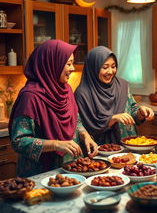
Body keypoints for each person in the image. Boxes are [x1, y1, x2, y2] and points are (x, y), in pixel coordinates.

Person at [8, 40, 98, 177]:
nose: (72, 68)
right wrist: (55, 144)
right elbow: (19, 142)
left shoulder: (66, 90)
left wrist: (85, 135)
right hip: (40, 173)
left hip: (69, 169)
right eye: (68, 64)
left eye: (72, 63)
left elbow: (76, 120)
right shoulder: (30, 97)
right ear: (51, 64)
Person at [74, 46, 154, 145]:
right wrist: (112, 119)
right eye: (105, 67)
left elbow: (132, 109)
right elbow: (80, 124)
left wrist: (141, 112)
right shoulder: (82, 93)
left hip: (127, 145)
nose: (110, 71)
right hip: (100, 149)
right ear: (93, 67)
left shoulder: (121, 85)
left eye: (113, 66)